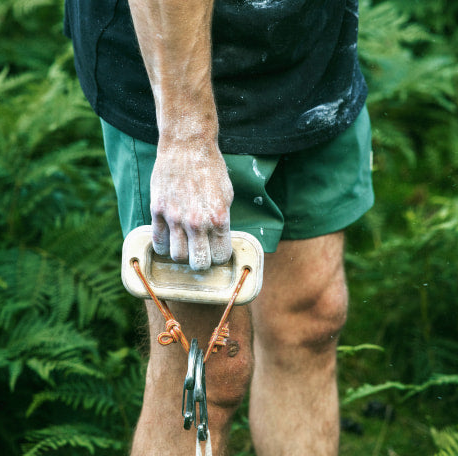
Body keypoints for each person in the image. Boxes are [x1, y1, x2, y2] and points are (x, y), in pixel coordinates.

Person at [64, 0, 373, 454]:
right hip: (178, 64)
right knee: (203, 371)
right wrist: (185, 135)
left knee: (311, 319)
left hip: (311, 49)